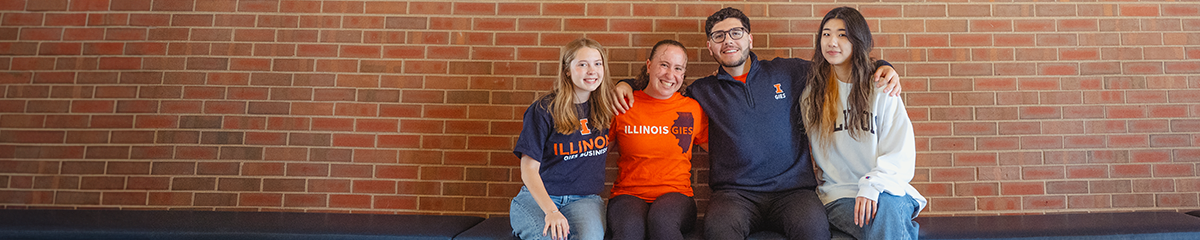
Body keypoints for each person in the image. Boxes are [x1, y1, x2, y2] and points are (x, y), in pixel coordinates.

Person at [611, 7, 902, 240]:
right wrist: (625, 84)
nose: (728, 41)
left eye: (735, 32)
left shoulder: (788, 72)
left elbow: (837, 64)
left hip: (793, 192)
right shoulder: (702, 90)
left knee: (814, 231)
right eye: (718, 36)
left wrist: (880, 65)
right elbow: (661, 89)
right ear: (710, 47)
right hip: (735, 194)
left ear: (749, 39)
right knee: (719, 231)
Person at [801, 7, 925, 240]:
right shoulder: (812, 95)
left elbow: (900, 152)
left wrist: (871, 186)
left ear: (858, 40)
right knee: (890, 220)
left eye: (842, 34)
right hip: (840, 196)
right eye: (826, 34)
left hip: (889, 190)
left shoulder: (881, 87)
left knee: (887, 208)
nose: (832, 42)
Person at [511, 38, 615, 240]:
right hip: (538, 198)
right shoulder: (543, 109)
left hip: (585, 200)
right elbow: (528, 170)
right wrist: (551, 211)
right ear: (567, 70)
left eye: (597, 63)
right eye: (583, 64)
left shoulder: (607, 109)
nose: (592, 70)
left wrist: (624, 86)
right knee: (550, 237)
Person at [607, 39, 706, 240]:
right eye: (664, 65)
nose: (671, 75)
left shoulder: (692, 109)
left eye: (678, 68)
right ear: (649, 65)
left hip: (677, 196)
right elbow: (595, 152)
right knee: (628, 231)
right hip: (628, 194)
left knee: (661, 221)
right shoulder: (623, 105)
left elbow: (723, 150)